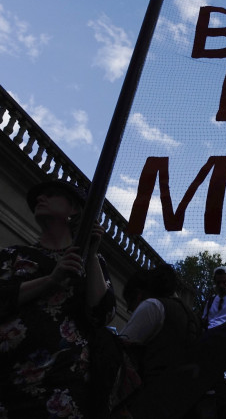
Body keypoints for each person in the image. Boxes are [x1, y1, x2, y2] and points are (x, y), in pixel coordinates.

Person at [0, 178, 115, 417]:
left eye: (51, 194)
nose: (40, 198)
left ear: (74, 209)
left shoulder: (92, 262)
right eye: (39, 198)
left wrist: (91, 254)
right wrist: (51, 280)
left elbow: (102, 313)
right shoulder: (13, 256)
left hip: (62, 392)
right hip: (7, 383)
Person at [116, 264, 201, 418]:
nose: (132, 312)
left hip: (149, 402)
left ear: (138, 296)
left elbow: (118, 351)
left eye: (131, 307)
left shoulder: (153, 306)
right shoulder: (191, 317)